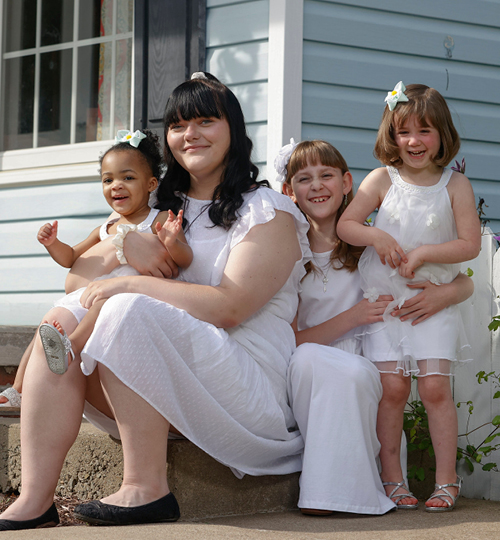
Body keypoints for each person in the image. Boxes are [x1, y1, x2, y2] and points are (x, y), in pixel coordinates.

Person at [0, 72, 308, 531]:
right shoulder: (162, 208)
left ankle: (146, 487)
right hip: (165, 386)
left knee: (125, 304)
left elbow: (230, 308)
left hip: (247, 391)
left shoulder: (268, 212)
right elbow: (75, 281)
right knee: (61, 324)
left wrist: (128, 284)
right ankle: (34, 499)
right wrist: (127, 241)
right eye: (179, 124)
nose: (191, 134)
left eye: (206, 120)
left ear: (235, 131)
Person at [281, 139, 474, 516]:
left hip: (374, 368)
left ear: (347, 183)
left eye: (327, 176)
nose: (318, 186)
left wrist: (445, 294)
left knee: (400, 386)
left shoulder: (371, 245)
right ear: (290, 191)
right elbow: (290, 340)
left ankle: (388, 480)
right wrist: (352, 318)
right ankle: (331, 492)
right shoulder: (287, 253)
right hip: (319, 373)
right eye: (305, 179)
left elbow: (461, 280)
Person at [337, 82, 481, 512]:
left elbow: (470, 245)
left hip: (431, 299)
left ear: (442, 135)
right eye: (404, 132)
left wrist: (424, 253)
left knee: (436, 388)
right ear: (391, 136)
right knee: (393, 388)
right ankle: (392, 478)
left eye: (425, 131)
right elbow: (347, 225)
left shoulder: (455, 185)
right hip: (388, 303)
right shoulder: (383, 179)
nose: (414, 141)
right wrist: (376, 234)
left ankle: (445, 480)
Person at [36, 129, 192, 375]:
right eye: (108, 180)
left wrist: (172, 242)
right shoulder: (106, 228)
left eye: (128, 178)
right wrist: (52, 243)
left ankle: (71, 348)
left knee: (104, 304)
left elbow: (186, 259)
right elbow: (71, 258)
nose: (116, 185)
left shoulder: (158, 219)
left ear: (151, 184)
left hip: (127, 298)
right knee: (49, 319)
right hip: (91, 294)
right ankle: (19, 388)